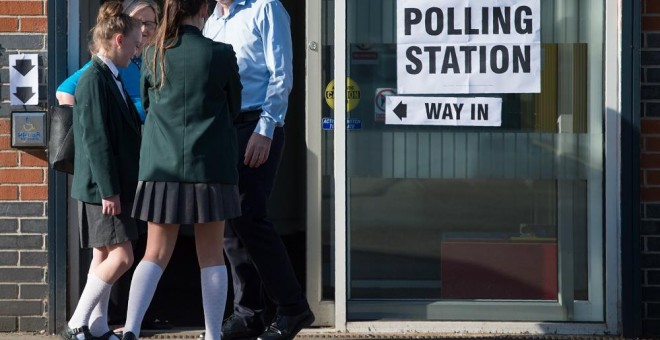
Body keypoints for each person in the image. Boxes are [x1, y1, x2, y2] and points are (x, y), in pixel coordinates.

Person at [120, 0, 242, 338]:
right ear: (204, 9)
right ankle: (213, 335)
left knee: (154, 253)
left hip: (161, 166)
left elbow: (146, 105)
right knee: (212, 255)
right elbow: (234, 106)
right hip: (211, 167)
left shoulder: (152, 55)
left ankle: (131, 329)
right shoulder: (221, 53)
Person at [203, 1, 315, 340]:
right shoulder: (211, 21)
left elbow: (281, 75)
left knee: (250, 216)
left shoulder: (266, 7)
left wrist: (265, 131)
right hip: (223, 127)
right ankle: (248, 313)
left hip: (256, 124)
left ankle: (293, 308)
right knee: (228, 224)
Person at [60, 2, 143, 340]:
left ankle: (96, 326)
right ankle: (76, 323)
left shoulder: (109, 76)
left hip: (105, 186)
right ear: (119, 40)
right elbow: (96, 139)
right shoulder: (95, 78)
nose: (138, 50)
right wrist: (110, 190)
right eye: (136, 43)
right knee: (122, 256)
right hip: (102, 189)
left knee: (105, 254)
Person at [56, 0, 160, 123]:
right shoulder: (117, 61)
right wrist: (93, 125)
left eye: (149, 24)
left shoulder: (148, 60)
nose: (143, 29)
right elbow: (65, 92)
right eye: (137, 22)